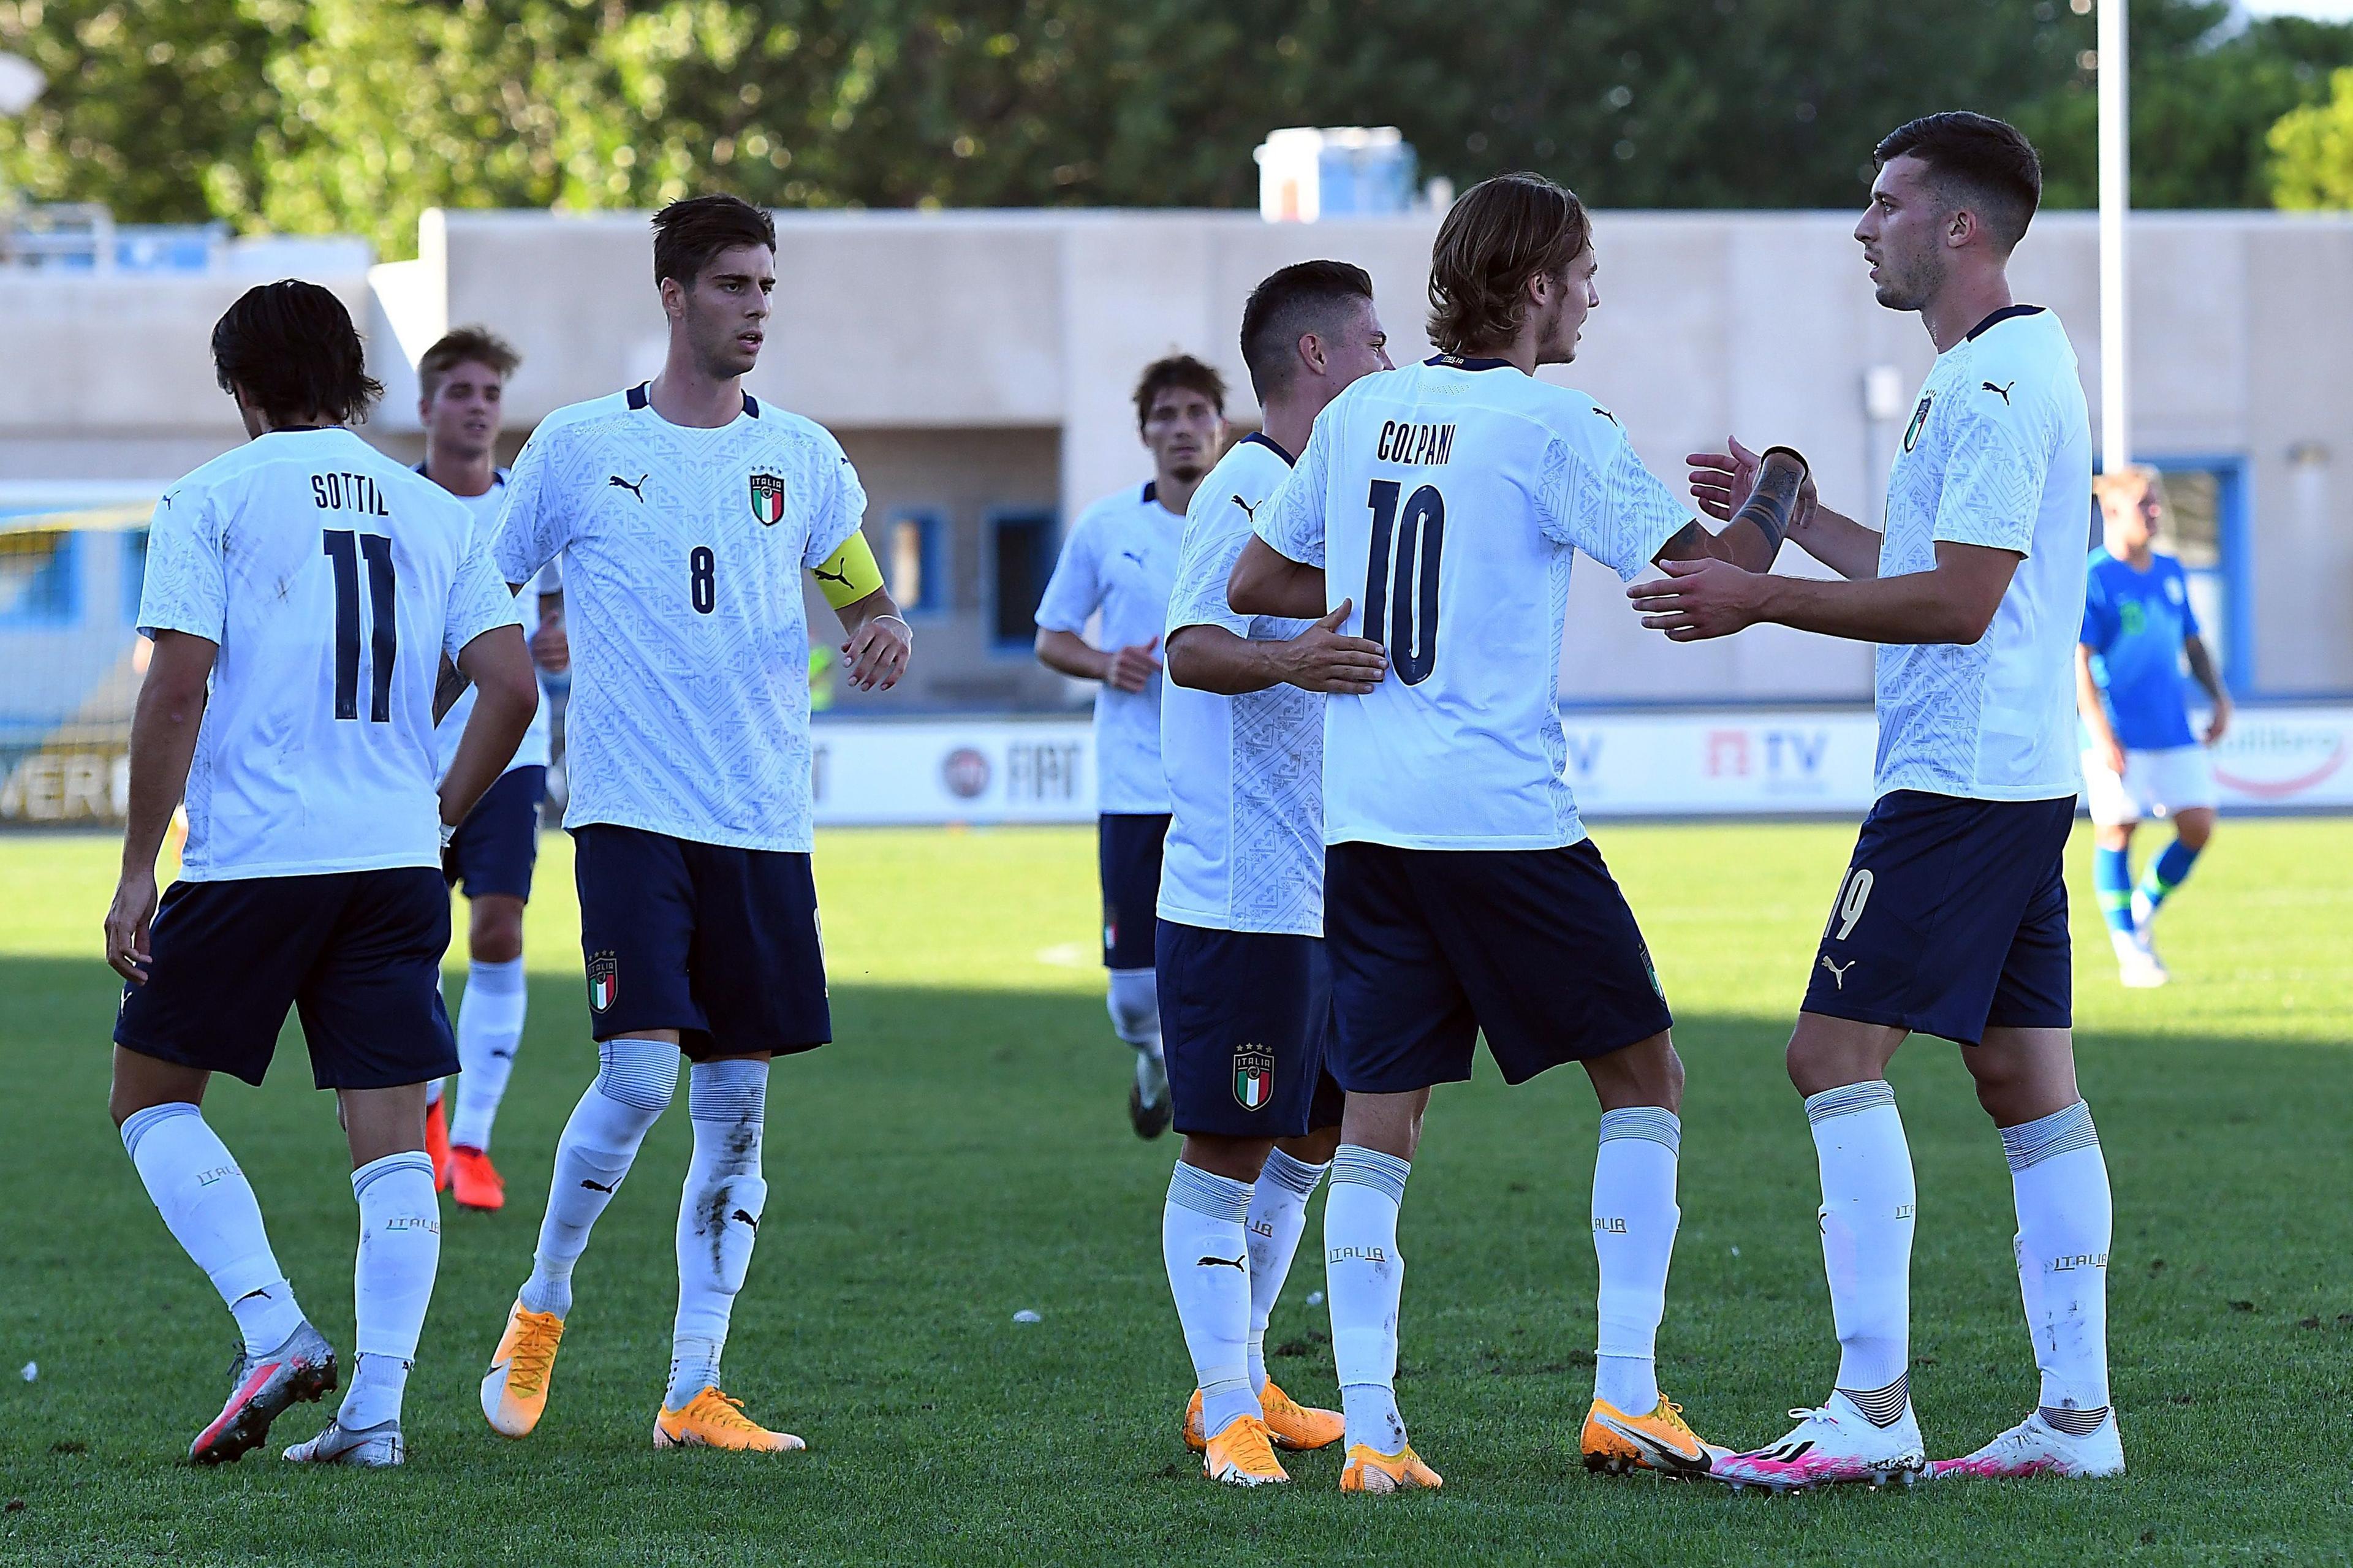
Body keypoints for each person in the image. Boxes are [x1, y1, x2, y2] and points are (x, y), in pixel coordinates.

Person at [1230, 173, 1804, 1494]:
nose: (1595, 295)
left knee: (1381, 1122)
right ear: (1538, 284)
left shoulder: (1366, 407)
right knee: (1647, 1079)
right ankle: (1624, 1398)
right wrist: (1783, 484)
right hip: (1501, 823)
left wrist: (1370, 592)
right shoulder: (1555, 428)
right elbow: (1706, 569)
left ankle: (1375, 1433)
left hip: (1367, 825)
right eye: (1585, 273)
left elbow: (1258, 580)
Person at [1645, 112, 2119, 1486]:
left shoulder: (1990, 385)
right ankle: (2076, 1421)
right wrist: (1789, 520)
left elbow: (1960, 605)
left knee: (1827, 1056)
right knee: (2026, 1080)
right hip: (2012, 780)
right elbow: (1925, 562)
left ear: (1958, 226)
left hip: (1958, 781)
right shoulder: (1997, 368)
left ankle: (1871, 1405)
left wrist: (1755, 597)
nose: (1865, 227)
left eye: (1884, 202)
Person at [476, 194, 911, 1455]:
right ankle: (542, 1303)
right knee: (639, 1072)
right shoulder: (572, 447)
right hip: (627, 812)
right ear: (672, 294)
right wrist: (505, 654)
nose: (756, 307)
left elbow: (852, 583)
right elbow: (489, 581)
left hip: (763, 822)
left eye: (767, 286)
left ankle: (692, 1387)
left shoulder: (805, 457)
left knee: (738, 1116)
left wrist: (876, 623)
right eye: (732, 285)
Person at [104, 280, 537, 1468]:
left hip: (258, 856)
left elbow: (175, 687)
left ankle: (274, 1330)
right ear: (352, 379)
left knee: (148, 1097)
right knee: (394, 1136)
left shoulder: (210, 498)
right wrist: (435, 816)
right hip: (393, 861)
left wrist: (140, 867)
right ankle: (379, 1413)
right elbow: (511, 687)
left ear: (241, 387)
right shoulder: (440, 510)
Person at [1156, 261, 1393, 1485]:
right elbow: (1192, 644)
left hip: (1324, 889)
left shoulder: (1321, 495)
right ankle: (1225, 1406)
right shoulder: (1247, 480)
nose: (1392, 361)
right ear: (1315, 358)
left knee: (1318, 1129)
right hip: (1241, 892)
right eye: (1375, 339)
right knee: (1228, 1148)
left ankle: (1243, 1379)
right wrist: (1298, 656)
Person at [1034, 355, 1229, 1138]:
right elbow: (1052, 636)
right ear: (1145, 431)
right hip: (1135, 785)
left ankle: (1216, 1105)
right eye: (1166, 415)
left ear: (1222, 425)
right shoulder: (1108, 527)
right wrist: (1104, 662)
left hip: (1228, 784)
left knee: (1236, 966)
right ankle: (1155, 1066)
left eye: (1197, 413)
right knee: (1132, 998)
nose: (1182, 429)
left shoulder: (1257, 518)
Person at [412, 326, 571, 1208]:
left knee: (498, 930)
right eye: (461, 392)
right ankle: (428, 1116)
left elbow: (558, 631)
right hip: (411, 751)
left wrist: (557, 647)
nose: (478, 408)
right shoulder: (398, 506)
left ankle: (470, 1143)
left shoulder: (528, 515)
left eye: (490, 394)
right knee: (413, 938)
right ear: (429, 406)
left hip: (511, 749)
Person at [2077, 467, 2229, 987]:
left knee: (2198, 826)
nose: (2157, 511)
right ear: (2115, 513)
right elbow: (2080, 658)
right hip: (2118, 731)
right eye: (2146, 503)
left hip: (2173, 728)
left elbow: (2192, 640)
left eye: (2158, 502)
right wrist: (2099, 730)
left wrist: (2220, 697)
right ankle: (2129, 948)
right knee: (2118, 829)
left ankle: (2142, 906)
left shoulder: (2169, 570)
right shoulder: (2095, 576)